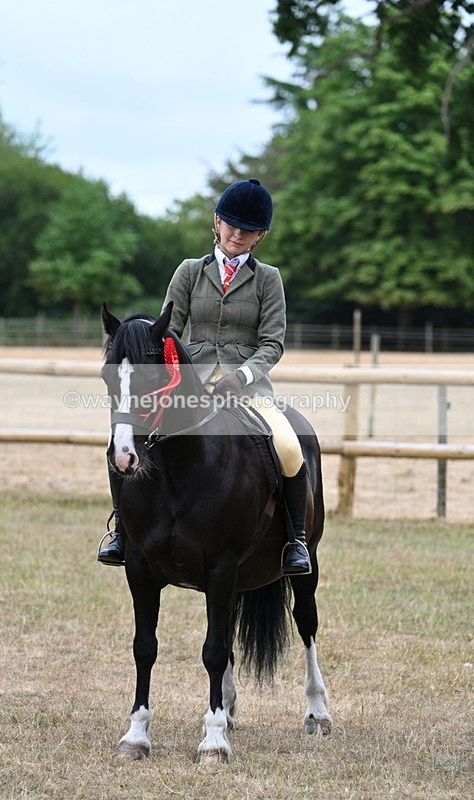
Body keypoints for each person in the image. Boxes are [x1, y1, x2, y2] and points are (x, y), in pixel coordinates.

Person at [98, 178, 311, 575]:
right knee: (126, 438)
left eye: (248, 229)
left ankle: (295, 542)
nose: (238, 233)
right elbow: (164, 330)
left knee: (288, 446)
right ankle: (122, 531)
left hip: (247, 389)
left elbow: (273, 343)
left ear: (260, 235)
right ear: (217, 222)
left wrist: (243, 376)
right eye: (231, 224)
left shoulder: (269, 279)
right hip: (188, 384)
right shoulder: (189, 272)